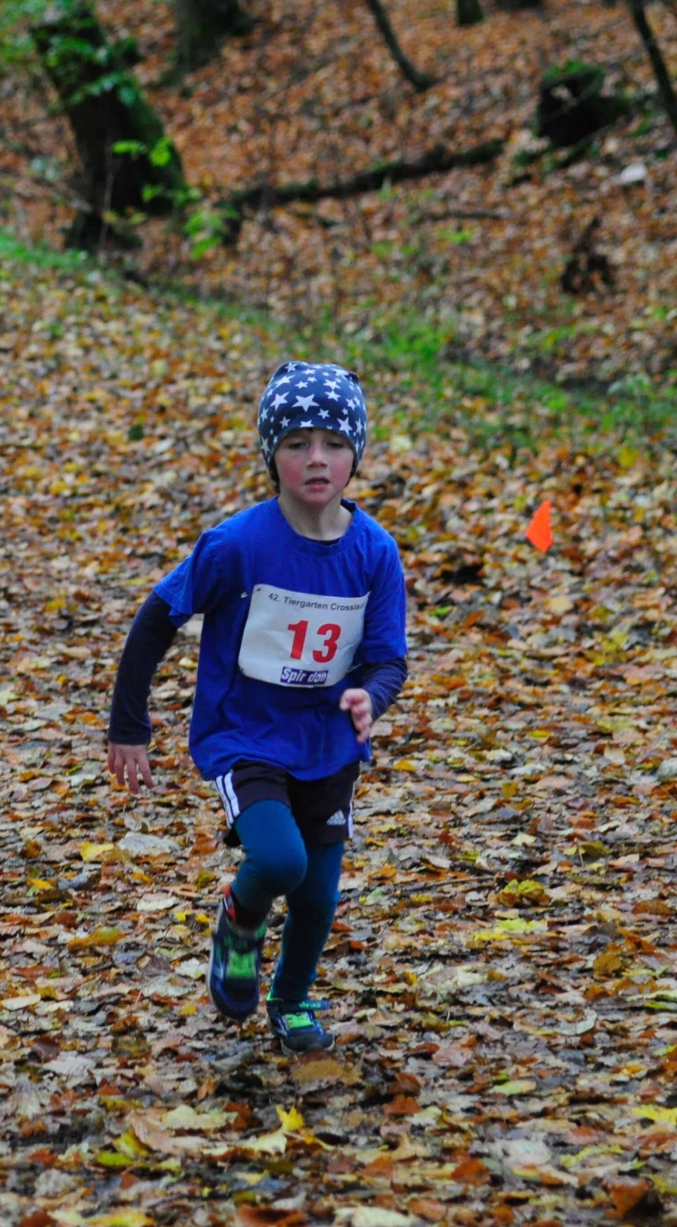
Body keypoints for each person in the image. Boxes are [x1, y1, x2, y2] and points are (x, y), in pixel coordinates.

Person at [106, 362, 409, 1054]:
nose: (316, 459)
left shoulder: (374, 552)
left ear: (355, 453)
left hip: (328, 741)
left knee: (318, 895)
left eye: (333, 443)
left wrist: (371, 696)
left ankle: (293, 1000)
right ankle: (239, 922)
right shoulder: (239, 544)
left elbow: (388, 657)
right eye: (297, 442)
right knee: (278, 860)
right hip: (246, 735)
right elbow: (157, 617)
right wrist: (130, 725)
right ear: (271, 452)